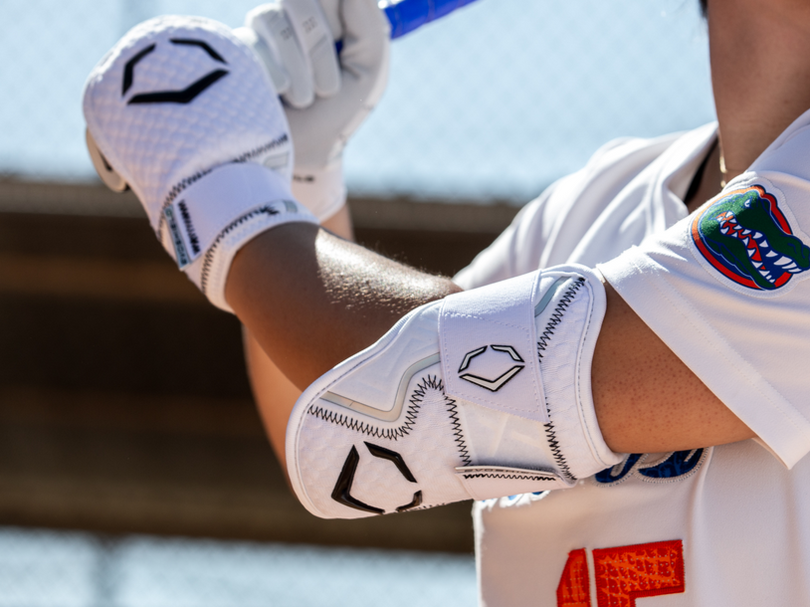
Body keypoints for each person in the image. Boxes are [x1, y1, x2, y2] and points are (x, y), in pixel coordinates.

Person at [81, 0, 810, 604]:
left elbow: (413, 396)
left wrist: (218, 193)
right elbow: (339, 415)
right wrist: (298, 181)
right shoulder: (603, 197)